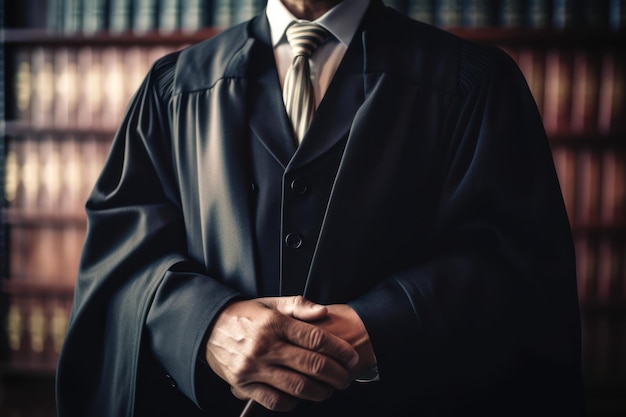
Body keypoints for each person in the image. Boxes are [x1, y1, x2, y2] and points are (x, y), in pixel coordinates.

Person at [56, 1, 585, 416]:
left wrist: (377, 328)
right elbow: (121, 264)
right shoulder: (175, 89)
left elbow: (517, 267)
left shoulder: (472, 81)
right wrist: (205, 324)